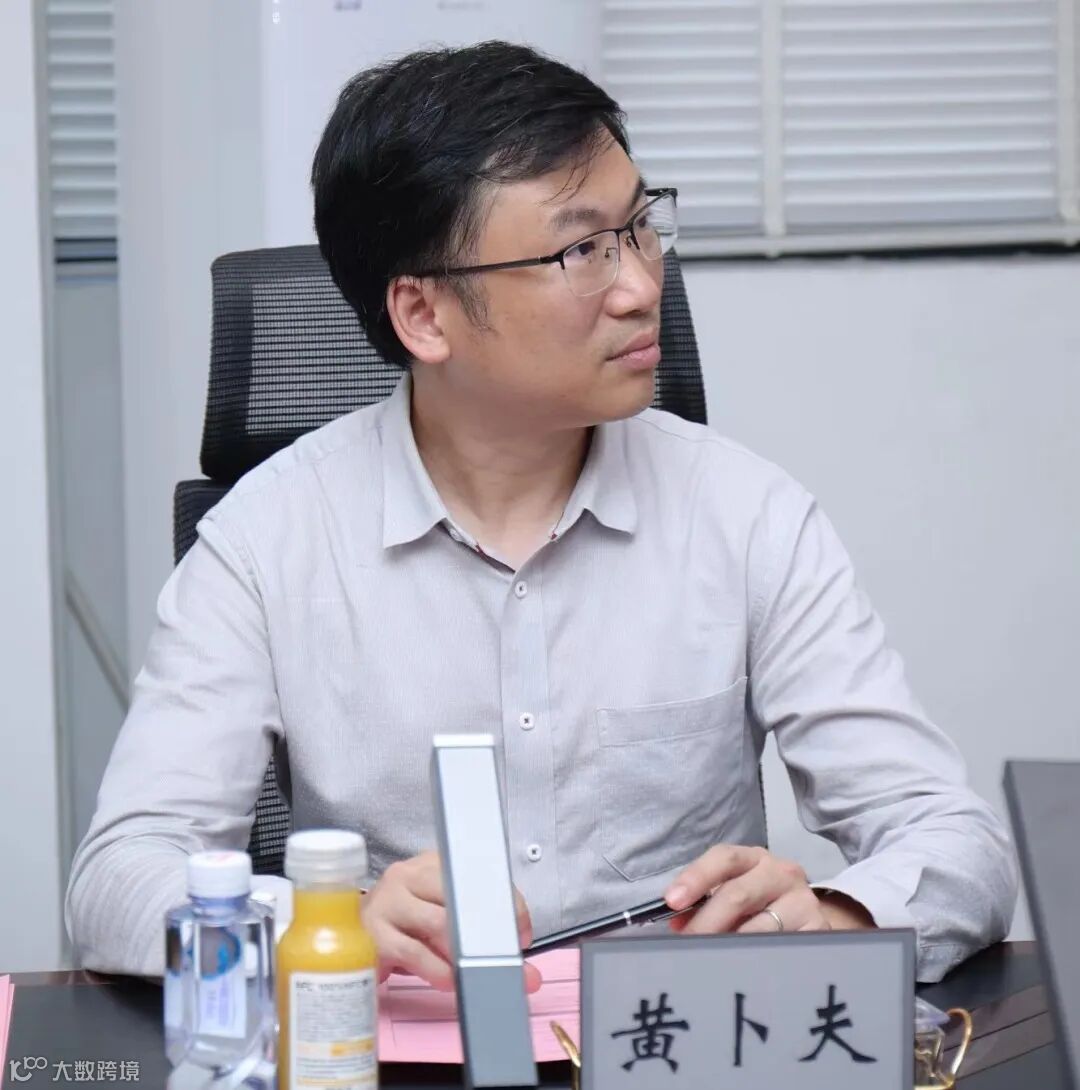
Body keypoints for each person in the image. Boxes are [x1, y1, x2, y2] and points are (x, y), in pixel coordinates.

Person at [66, 41, 1016, 986]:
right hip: (402, 1040)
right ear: (423, 315)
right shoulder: (266, 542)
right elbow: (118, 881)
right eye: (581, 251)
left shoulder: (746, 515)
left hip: (670, 1040)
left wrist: (835, 918)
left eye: (639, 228)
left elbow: (953, 841)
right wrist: (327, 925)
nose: (642, 286)